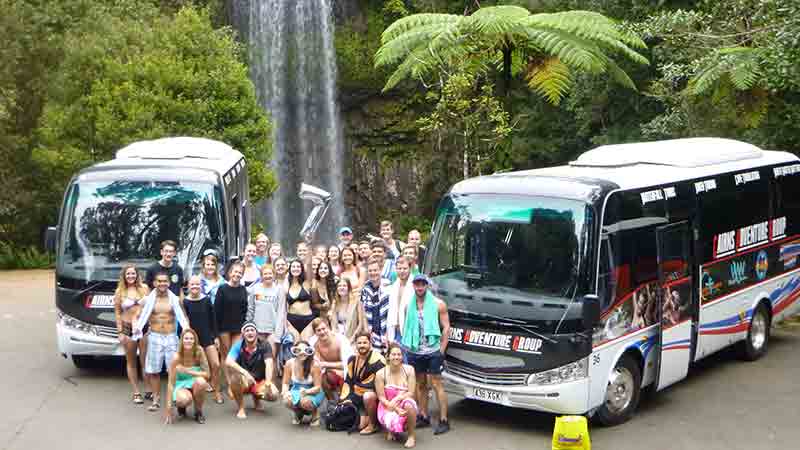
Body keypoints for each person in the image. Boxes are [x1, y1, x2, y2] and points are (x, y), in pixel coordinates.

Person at [133, 271, 191, 412]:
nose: (162, 284)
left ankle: (176, 398)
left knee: (175, 370)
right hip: (155, 337)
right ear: (154, 283)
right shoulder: (148, 300)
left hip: (171, 337)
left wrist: (187, 330)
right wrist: (136, 326)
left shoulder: (175, 299)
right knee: (154, 371)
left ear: (169, 283)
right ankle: (156, 399)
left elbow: (184, 317)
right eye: (159, 281)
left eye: (165, 281)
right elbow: (137, 314)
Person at [402, 274, 450, 435]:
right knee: (420, 385)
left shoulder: (438, 304)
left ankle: (444, 420)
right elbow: (407, 328)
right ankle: (423, 415)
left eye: (422, 284)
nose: (420, 287)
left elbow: (446, 327)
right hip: (415, 351)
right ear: (413, 286)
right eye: (417, 285)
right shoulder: (409, 306)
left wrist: (441, 350)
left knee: (436, 384)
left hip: (432, 350)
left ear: (427, 286)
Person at [226, 322, 280, 419]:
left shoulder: (264, 345)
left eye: (252, 330)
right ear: (243, 334)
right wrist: (245, 373)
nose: (250, 333)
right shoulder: (238, 345)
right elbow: (228, 361)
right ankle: (241, 408)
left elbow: (269, 364)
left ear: (256, 333)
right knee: (234, 380)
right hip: (245, 380)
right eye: (247, 331)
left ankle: (256, 400)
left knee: (274, 394)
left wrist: (268, 383)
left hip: (259, 380)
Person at [183, 276, 223, 404]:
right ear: (188, 286)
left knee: (215, 364)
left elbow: (213, 319)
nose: (195, 287)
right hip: (192, 339)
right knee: (194, 367)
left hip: (207, 337)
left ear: (201, 286)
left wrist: (216, 336)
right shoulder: (185, 302)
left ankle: (217, 392)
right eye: (192, 285)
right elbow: (184, 321)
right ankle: (193, 392)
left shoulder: (206, 300)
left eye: (197, 284)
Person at [113, 264, 149, 404]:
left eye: (133, 273)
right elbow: (117, 313)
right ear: (124, 276)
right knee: (131, 361)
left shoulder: (144, 288)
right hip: (127, 328)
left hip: (143, 328)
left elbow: (150, 308)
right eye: (128, 274)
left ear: (137, 275)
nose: (131, 276)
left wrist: (151, 325)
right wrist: (120, 331)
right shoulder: (119, 292)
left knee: (145, 361)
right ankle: (136, 392)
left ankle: (148, 389)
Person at [340, 331, 386, 434]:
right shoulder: (352, 359)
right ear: (355, 344)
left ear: (370, 343)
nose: (362, 345)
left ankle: (373, 424)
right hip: (358, 395)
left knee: (368, 396)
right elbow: (348, 381)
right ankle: (363, 415)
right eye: (359, 343)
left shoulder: (378, 361)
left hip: (376, 396)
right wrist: (346, 399)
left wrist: (353, 397)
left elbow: (375, 386)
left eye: (365, 343)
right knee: (358, 424)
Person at [215, 261, 249, 396]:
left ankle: (236, 382)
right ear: (230, 273)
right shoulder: (222, 288)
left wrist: (244, 327)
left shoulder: (243, 289)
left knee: (235, 355)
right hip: (224, 327)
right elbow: (216, 312)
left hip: (238, 327)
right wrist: (216, 334)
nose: (237, 274)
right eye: (235, 272)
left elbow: (245, 309)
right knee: (226, 355)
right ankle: (230, 383)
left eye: (240, 273)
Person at [376, 342, 418, 447]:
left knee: (409, 404)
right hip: (387, 405)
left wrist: (398, 398)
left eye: (399, 354)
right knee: (390, 419)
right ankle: (390, 429)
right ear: (388, 356)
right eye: (393, 354)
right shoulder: (380, 373)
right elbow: (381, 397)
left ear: (402, 356)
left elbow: (411, 392)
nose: (396, 357)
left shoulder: (409, 369)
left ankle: (411, 436)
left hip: (404, 402)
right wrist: (394, 407)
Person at [164, 329, 210, 424]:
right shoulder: (176, 357)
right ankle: (181, 407)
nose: (188, 341)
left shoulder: (199, 351)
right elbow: (171, 383)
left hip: (195, 381)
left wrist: (187, 371)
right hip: (180, 383)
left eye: (191, 339)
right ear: (182, 340)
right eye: (186, 338)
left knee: (201, 382)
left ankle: (198, 412)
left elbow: (207, 374)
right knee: (184, 400)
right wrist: (168, 407)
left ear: (195, 340)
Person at [282, 340, 325, 426]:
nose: (302, 353)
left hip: (314, 392)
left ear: (309, 351)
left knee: (305, 402)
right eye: (299, 350)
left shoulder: (314, 365)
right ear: (294, 351)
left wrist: (306, 392)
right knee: (287, 400)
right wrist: (285, 392)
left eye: (305, 350)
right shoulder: (289, 363)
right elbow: (285, 383)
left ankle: (315, 414)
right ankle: (298, 413)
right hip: (296, 390)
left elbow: (318, 388)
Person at [247, 264, 286, 359]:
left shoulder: (279, 289)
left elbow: (281, 313)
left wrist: (277, 334)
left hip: (271, 331)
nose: (268, 276)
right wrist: (249, 327)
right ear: (261, 276)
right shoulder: (255, 288)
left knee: (270, 359)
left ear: (274, 275)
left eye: (270, 273)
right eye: (265, 274)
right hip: (257, 330)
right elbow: (250, 309)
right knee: (257, 360)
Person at [309, 317, 353, 400]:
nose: (322, 332)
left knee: (337, 376)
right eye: (319, 330)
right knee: (321, 376)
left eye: (324, 329)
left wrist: (326, 365)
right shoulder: (314, 344)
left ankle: (344, 401)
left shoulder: (340, 340)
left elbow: (348, 363)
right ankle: (331, 401)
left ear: (328, 328)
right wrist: (331, 369)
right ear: (315, 333)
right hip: (329, 372)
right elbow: (318, 366)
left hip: (344, 371)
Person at [362, 257, 391, 352]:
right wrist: (367, 329)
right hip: (372, 329)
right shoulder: (365, 288)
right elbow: (363, 310)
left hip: (387, 328)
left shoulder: (388, 286)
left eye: (375, 270)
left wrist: (387, 331)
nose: (373, 273)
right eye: (370, 270)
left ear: (380, 270)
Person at [286, 259, 315, 340]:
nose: (296, 268)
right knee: (296, 344)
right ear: (290, 269)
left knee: (305, 343)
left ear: (302, 269)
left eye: (298, 266)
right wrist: (286, 321)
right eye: (293, 266)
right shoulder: (287, 284)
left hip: (307, 319)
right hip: (291, 320)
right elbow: (284, 306)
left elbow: (309, 265)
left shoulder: (306, 283)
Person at [388, 257, 414, 344]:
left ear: (410, 268)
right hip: (395, 330)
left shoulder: (416, 285)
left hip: (411, 331)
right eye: (399, 268)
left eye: (405, 268)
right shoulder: (394, 286)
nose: (402, 271)